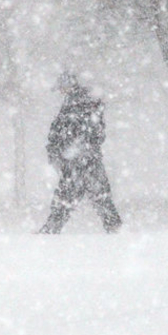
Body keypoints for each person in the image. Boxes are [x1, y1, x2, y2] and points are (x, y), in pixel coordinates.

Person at [39, 72, 122, 234]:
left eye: (61, 88)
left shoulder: (75, 105)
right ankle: (115, 228)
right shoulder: (82, 104)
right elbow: (95, 132)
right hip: (86, 157)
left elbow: (64, 131)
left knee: (67, 195)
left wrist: (61, 149)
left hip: (77, 159)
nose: (60, 92)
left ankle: (51, 230)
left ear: (67, 86)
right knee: (98, 194)